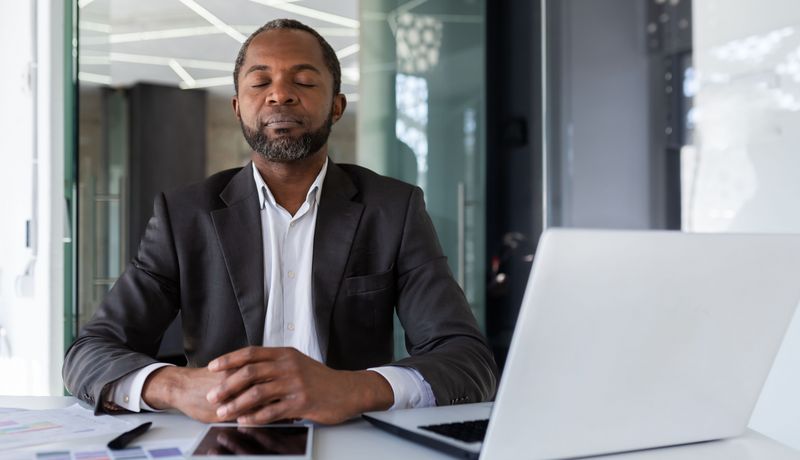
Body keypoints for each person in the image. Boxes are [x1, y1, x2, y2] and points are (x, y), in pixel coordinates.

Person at [63, 18, 497, 425]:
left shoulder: (393, 209)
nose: (280, 94)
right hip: (223, 437)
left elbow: (466, 361)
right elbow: (89, 353)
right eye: (260, 81)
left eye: (304, 81)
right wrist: (177, 386)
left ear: (337, 106)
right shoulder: (184, 215)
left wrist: (354, 388)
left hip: (352, 438)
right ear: (237, 106)